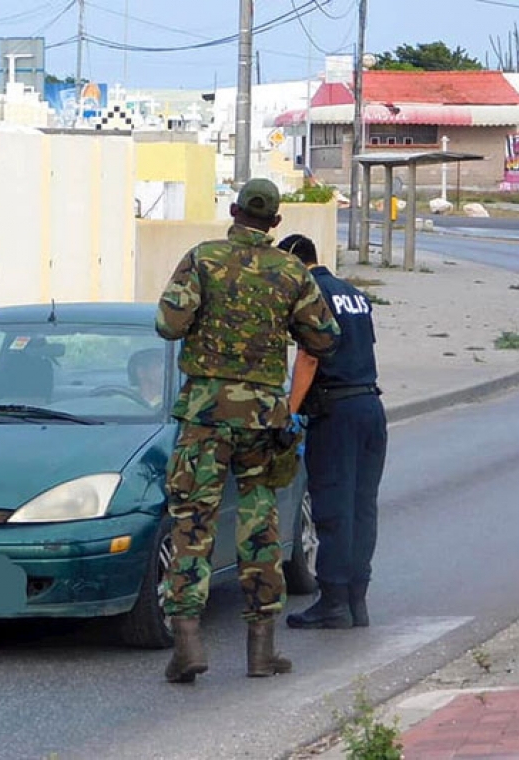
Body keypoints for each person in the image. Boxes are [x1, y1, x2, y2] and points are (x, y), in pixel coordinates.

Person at [154, 178, 341, 684]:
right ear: (276, 222)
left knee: (192, 522)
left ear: (233, 211)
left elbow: (169, 325)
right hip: (262, 417)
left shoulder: (203, 259)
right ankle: (262, 651)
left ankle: (188, 641)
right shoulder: (289, 271)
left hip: (205, 415)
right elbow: (325, 336)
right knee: (260, 528)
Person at [280, 233, 387, 630]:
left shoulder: (313, 293)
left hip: (337, 411)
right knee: (362, 507)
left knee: (333, 508)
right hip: (370, 407)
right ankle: (357, 600)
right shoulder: (352, 292)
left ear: (293, 262)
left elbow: (309, 357)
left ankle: (334, 602)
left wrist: (289, 411)